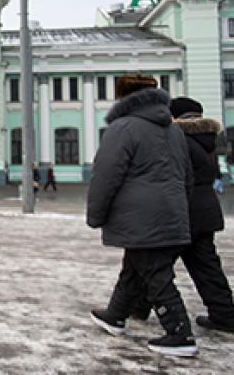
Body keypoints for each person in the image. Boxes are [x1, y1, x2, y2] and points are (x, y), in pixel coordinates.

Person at [86, 75, 197, 357]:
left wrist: (96, 214)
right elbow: (187, 177)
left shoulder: (122, 128)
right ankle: (115, 314)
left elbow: (105, 176)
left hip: (140, 215)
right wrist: (179, 206)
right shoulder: (174, 131)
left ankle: (179, 333)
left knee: (155, 273)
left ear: (124, 98)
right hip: (171, 210)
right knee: (135, 265)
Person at [131, 97, 234, 333]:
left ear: (174, 116)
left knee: (154, 264)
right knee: (207, 266)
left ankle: (138, 307)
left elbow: (169, 176)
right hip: (206, 211)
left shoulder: (177, 140)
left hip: (181, 212)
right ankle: (224, 314)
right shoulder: (207, 139)